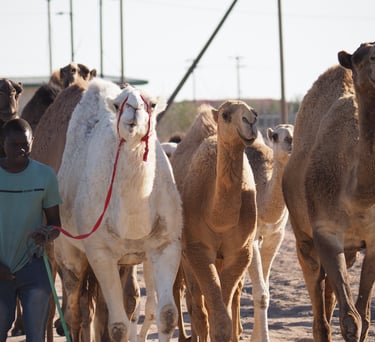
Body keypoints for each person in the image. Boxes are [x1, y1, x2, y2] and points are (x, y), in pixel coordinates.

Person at [0, 118, 62, 342]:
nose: (21, 149)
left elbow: (56, 224)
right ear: (2, 143)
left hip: (33, 266)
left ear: (32, 142)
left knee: (36, 335)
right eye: (14, 144)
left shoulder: (45, 176)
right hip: (0, 268)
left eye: (25, 144)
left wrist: (47, 234)